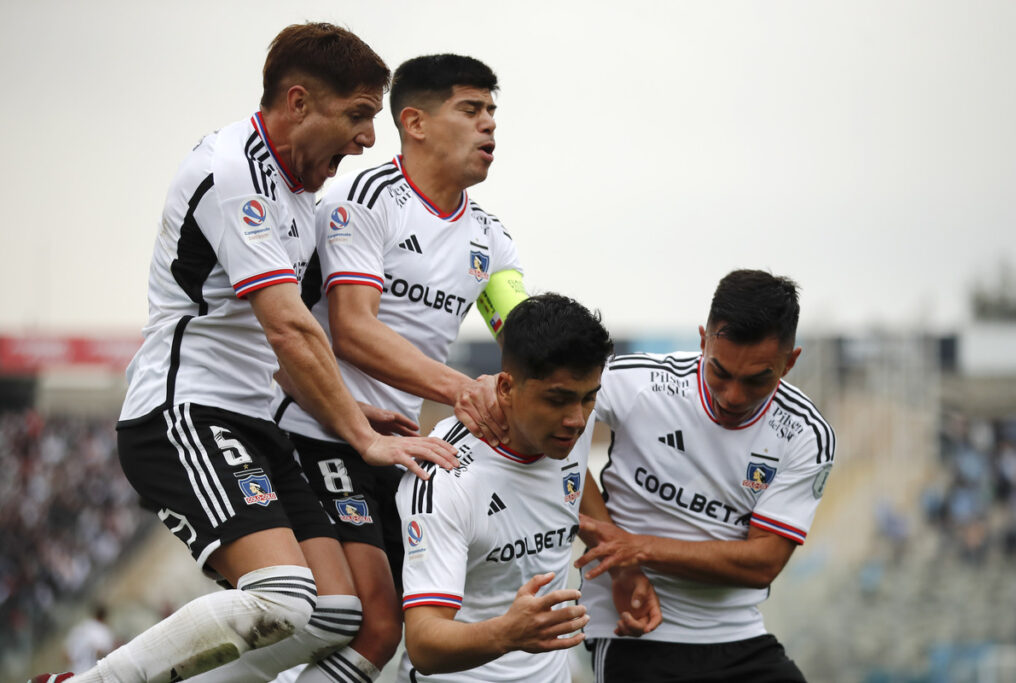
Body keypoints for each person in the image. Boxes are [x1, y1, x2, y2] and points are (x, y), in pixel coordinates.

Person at [29, 23, 458, 683]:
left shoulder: (300, 193)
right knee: (283, 595)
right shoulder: (234, 172)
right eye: (358, 114)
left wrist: (349, 410)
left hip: (255, 422)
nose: (369, 138)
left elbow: (285, 350)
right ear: (297, 103)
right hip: (186, 413)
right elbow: (289, 329)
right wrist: (361, 435)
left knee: (334, 614)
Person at [268, 53, 527, 682]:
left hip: (398, 450)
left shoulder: (491, 239)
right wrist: (465, 389)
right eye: (471, 109)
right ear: (415, 122)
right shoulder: (365, 199)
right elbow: (354, 330)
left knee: (391, 633)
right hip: (315, 430)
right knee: (372, 623)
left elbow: (529, 344)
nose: (490, 124)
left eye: (493, 111)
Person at [575, 269, 836, 682]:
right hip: (634, 633)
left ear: (789, 362)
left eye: (757, 379)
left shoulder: (805, 433)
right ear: (703, 341)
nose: (734, 396)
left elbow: (762, 563)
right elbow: (546, 439)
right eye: (721, 372)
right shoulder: (636, 384)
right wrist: (622, 566)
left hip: (738, 633)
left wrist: (638, 549)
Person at [395, 293, 635, 682]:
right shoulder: (444, 479)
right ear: (505, 387)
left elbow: (570, 484)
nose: (577, 420)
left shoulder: (564, 431)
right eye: (558, 399)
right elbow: (424, 644)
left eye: (589, 398)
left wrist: (625, 568)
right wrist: (506, 634)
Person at [64, 605, 115, 673]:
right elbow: (102, 654)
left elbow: (66, 653)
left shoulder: (81, 627)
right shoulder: (104, 633)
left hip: (74, 671)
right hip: (90, 671)